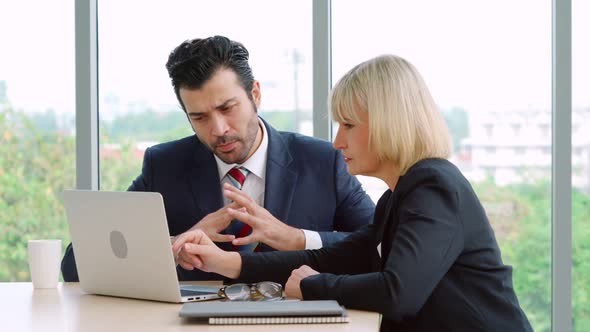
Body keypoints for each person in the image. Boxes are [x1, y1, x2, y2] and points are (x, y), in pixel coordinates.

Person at [170, 54, 534, 331]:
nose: (337, 141)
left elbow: (398, 293)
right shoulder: (398, 197)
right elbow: (340, 254)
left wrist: (314, 287)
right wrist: (227, 263)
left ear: (390, 122)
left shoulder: (434, 186)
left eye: (348, 124)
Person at [60, 35, 375, 281]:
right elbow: (77, 263)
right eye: (199, 117)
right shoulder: (165, 165)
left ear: (255, 95)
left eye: (227, 108)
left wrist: (296, 239)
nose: (219, 129)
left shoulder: (322, 161)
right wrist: (177, 243)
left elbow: (381, 246)